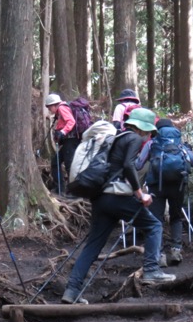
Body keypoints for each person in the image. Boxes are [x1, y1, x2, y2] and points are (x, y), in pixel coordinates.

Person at [61, 107, 175, 304]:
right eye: (149, 132)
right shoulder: (134, 138)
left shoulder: (116, 137)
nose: (148, 136)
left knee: (93, 246)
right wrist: (141, 195)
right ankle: (151, 270)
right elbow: (129, 166)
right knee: (154, 225)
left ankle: (71, 291)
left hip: (100, 198)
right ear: (143, 129)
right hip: (117, 197)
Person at [136, 118, 193, 266]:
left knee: (157, 220)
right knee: (176, 217)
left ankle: (160, 255)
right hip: (178, 186)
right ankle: (176, 250)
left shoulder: (152, 143)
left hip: (157, 186)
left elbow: (139, 165)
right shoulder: (180, 144)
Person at [46, 93, 79, 194]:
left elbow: (71, 121)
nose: (49, 109)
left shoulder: (61, 108)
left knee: (70, 166)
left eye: (49, 107)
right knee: (55, 162)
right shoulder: (60, 111)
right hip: (67, 142)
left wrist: (62, 132)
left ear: (53, 105)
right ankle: (60, 188)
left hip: (71, 141)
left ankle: (74, 191)